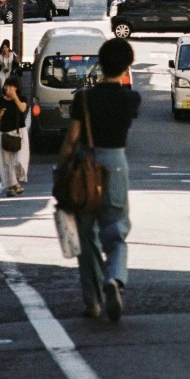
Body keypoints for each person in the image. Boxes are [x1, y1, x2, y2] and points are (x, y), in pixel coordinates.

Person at [58, 37, 140, 322]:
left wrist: (61, 169)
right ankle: (114, 279)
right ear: (126, 66)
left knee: (86, 235)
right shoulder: (131, 99)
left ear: (100, 64)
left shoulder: (84, 98)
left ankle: (92, 302)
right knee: (116, 232)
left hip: (85, 165)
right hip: (116, 164)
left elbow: (71, 139)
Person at [0, 75, 30, 196]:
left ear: (17, 88)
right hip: (5, 133)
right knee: (7, 161)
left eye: (11, 86)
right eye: (6, 86)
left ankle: (14, 183)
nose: (8, 89)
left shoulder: (22, 98)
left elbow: (22, 109)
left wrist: (15, 97)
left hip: (19, 132)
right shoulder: (0, 101)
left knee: (19, 160)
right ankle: (13, 186)